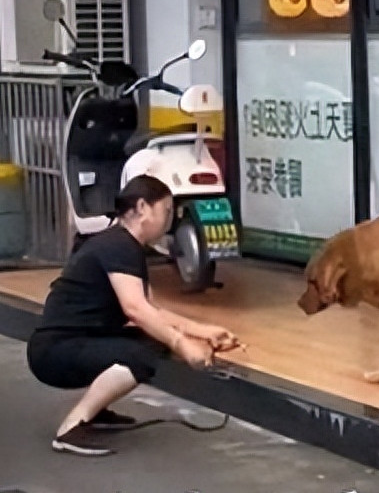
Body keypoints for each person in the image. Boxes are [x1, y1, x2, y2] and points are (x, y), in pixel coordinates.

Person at [27, 175, 241, 456]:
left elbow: (153, 311)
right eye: (165, 211)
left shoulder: (123, 245)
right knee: (139, 355)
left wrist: (203, 331)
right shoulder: (119, 245)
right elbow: (135, 310)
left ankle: (97, 413)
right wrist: (182, 344)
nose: (168, 221)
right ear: (142, 207)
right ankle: (71, 428)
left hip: (76, 340)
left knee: (150, 340)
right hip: (55, 351)